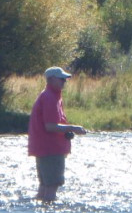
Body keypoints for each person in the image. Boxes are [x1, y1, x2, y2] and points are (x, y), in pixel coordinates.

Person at [28, 66, 87, 202]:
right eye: (61, 79)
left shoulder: (50, 96)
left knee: (45, 185)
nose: (64, 82)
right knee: (52, 186)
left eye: (65, 79)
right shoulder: (49, 98)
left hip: (45, 149)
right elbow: (50, 126)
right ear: (51, 79)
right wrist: (74, 128)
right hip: (51, 150)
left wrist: (68, 130)